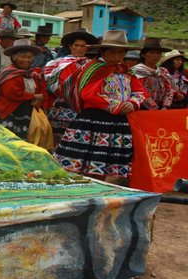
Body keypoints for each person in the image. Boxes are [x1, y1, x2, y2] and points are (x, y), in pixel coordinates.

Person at [53, 30, 148, 183]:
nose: (117, 56)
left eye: (121, 52)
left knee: (105, 163)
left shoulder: (125, 71)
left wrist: (133, 103)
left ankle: (98, 190)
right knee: (83, 162)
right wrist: (116, 106)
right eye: (112, 52)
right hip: (95, 121)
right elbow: (89, 94)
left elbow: (139, 91)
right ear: (102, 51)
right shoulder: (94, 69)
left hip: (117, 123)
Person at [43, 28, 98, 147]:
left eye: (82, 46)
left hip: (83, 109)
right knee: (58, 141)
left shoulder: (92, 66)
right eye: (76, 45)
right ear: (70, 46)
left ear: (87, 48)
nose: (79, 48)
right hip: (61, 108)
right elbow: (52, 84)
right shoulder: (57, 64)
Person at [0, 39, 47, 140]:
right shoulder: (9, 74)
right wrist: (34, 96)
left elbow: (43, 90)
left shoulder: (34, 74)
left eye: (29, 57)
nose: (27, 60)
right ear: (14, 57)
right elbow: (13, 94)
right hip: (11, 113)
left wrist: (40, 99)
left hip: (29, 113)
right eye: (23, 57)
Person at [130, 37, 175, 110]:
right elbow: (139, 91)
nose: (156, 56)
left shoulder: (163, 71)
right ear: (143, 55)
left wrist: (165, 106)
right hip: (142, 108)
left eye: (158, 53)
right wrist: (154, 107)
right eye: (152, 52)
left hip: (162, 108)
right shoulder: (136, 71)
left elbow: (169, 90)